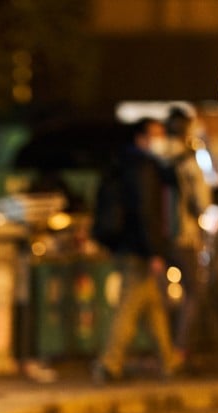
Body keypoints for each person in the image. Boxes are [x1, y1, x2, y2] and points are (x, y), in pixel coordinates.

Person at [93, 118, 183, 384]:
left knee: (153, 306)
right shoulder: (143, 168)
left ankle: (168, 359)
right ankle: (109, 363)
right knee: (129, 306)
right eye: (155, 134)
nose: (160, 140)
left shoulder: (127, 164)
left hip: (130, 245)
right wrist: (154, 251)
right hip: (139, 248)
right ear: (141, 137)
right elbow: (147, 213)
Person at [164, 107, 212, 360]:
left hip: (158, 237)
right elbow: (202, 203)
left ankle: (163, 346)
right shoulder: (189, 163)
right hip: (184, 236)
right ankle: (179, 347)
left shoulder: (156, 156)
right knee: (194, 291)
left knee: (159, 292)